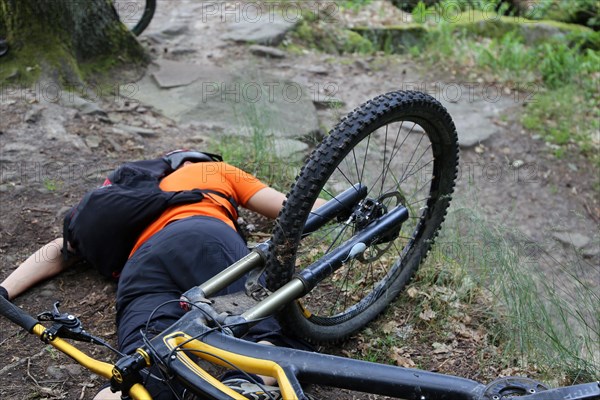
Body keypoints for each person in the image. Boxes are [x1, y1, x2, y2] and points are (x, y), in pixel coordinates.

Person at [1, 151, 320, 400]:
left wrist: (4, 290)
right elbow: (297, 210)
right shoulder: (211, 170)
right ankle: (250, 384)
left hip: (142, 268)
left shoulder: (126, 198)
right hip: (202, 238)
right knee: (265, 325)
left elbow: (60, 250)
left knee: (139, 369)